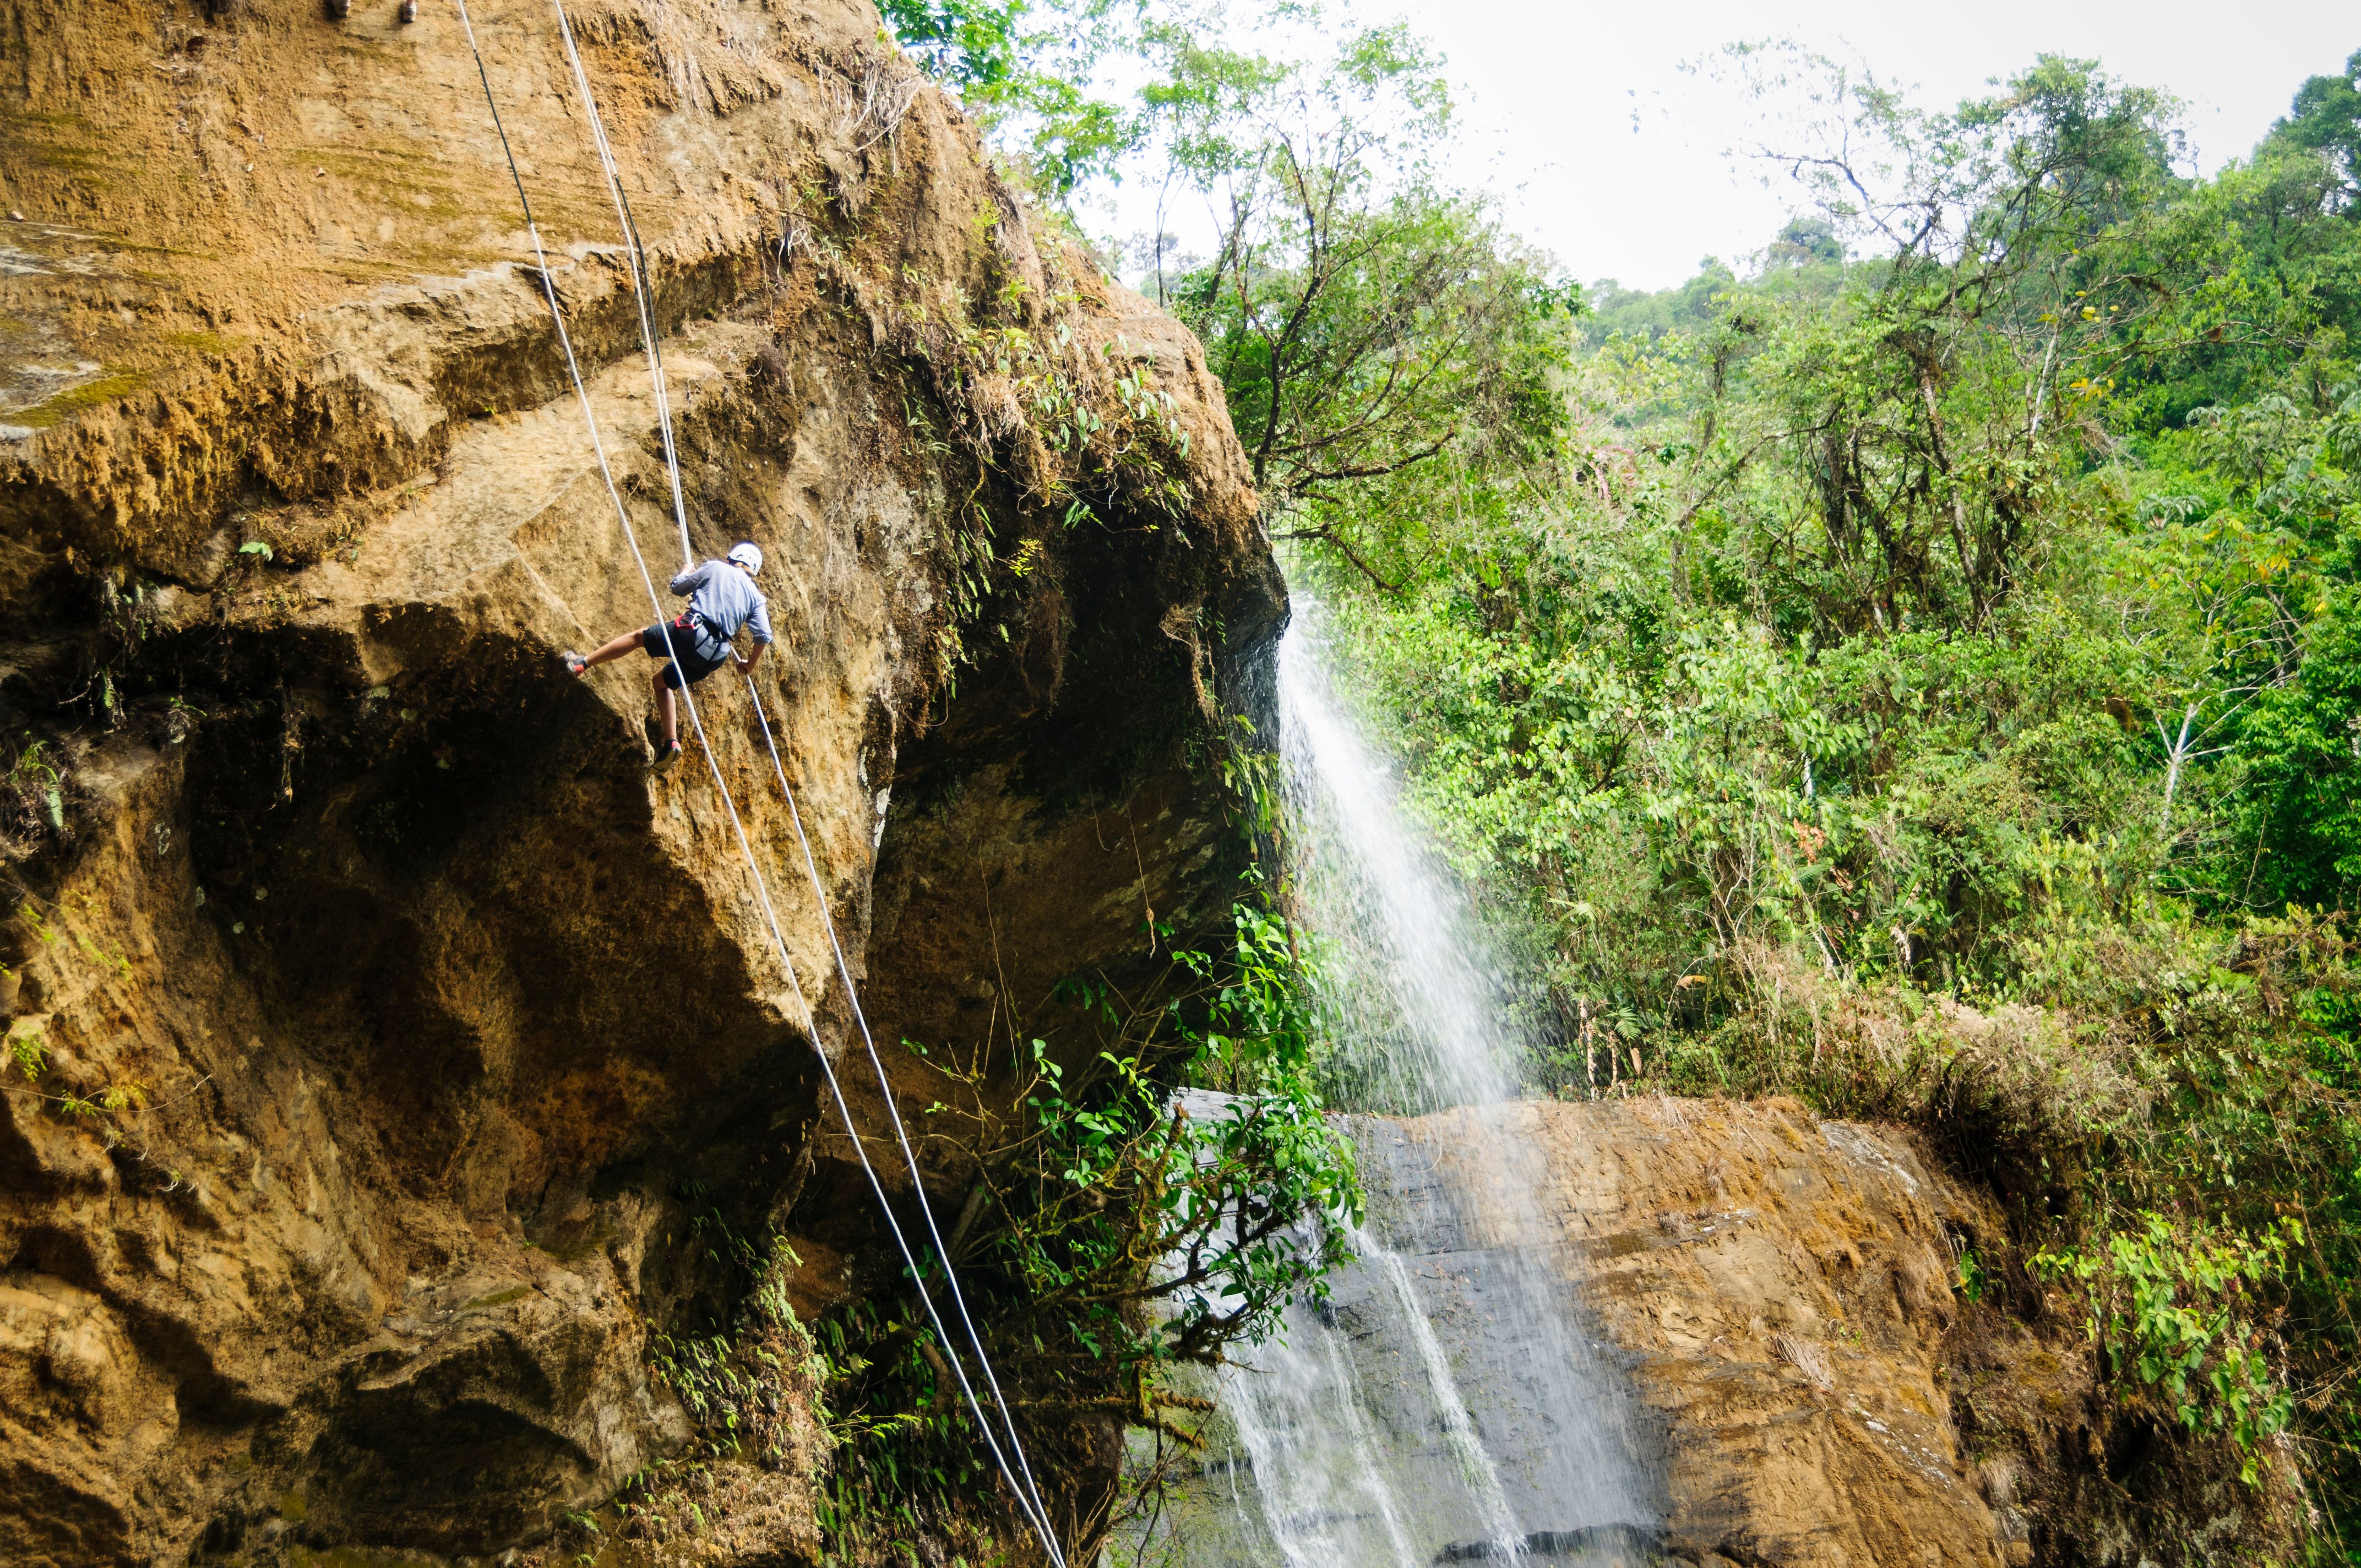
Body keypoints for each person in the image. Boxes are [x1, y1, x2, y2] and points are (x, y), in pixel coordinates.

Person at [563, 542, 773, 770]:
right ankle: (671, 742)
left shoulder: (715, 568)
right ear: (753, 570)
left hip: (692, 632)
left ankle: (581, 664)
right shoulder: (756, 597)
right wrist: (749, 665)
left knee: (638, 638)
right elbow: (764, 635)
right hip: (714, 656)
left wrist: (686, 572)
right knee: (662, 683)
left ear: (732, 558)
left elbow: (677, 588)